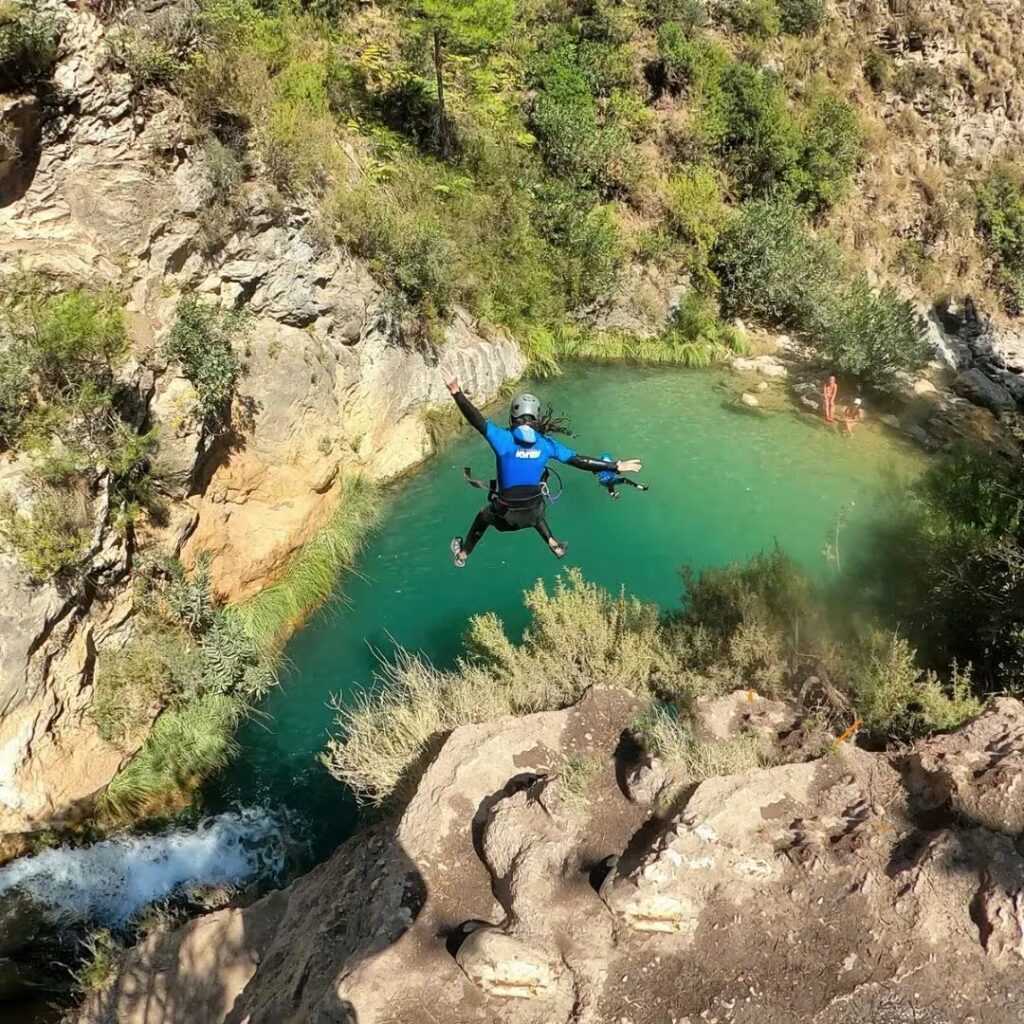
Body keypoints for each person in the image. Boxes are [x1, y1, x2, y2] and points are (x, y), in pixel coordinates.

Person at [445, 376, 643, 566]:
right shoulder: (547, 445)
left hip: (506, 519)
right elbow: (580, 461)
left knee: (483, 516)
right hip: (533, 514)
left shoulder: (502, 439)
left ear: (513, 417)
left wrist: (457, 393)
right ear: (536, 418)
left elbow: (477, 420)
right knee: (534, 507)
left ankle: (462, 555)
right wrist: (614, 465)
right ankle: (554, 544)